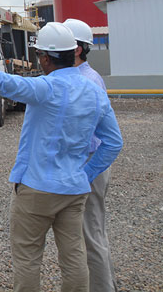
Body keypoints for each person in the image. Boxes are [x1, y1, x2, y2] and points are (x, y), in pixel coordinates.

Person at [0, 22, 123, 292]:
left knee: (28, 259)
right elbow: (113, 142)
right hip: (74, 190)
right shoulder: (96, 91)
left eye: (39, 54)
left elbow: (3, 82)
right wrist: (85, 175)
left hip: (36, 189)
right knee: (74, 257)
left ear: (44, 58)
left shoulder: (45, 88)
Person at [63, 18, 118, 292]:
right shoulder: (85, 76)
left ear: (76, 49)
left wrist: (84, 175)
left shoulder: (85, 81)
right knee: (92, 232)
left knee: (90, 235)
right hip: (89, 162)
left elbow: (107, 139)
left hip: (89, 162)